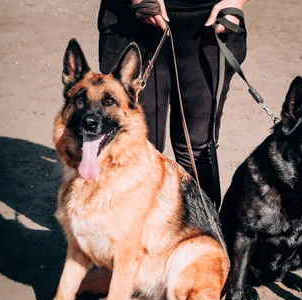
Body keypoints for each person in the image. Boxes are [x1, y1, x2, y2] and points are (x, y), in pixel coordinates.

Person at [97, 0, 249, 205]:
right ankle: (128, 229)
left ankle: (202, 228)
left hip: (208, 20)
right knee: (134, 143)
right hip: (132, 19)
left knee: (196, 148)